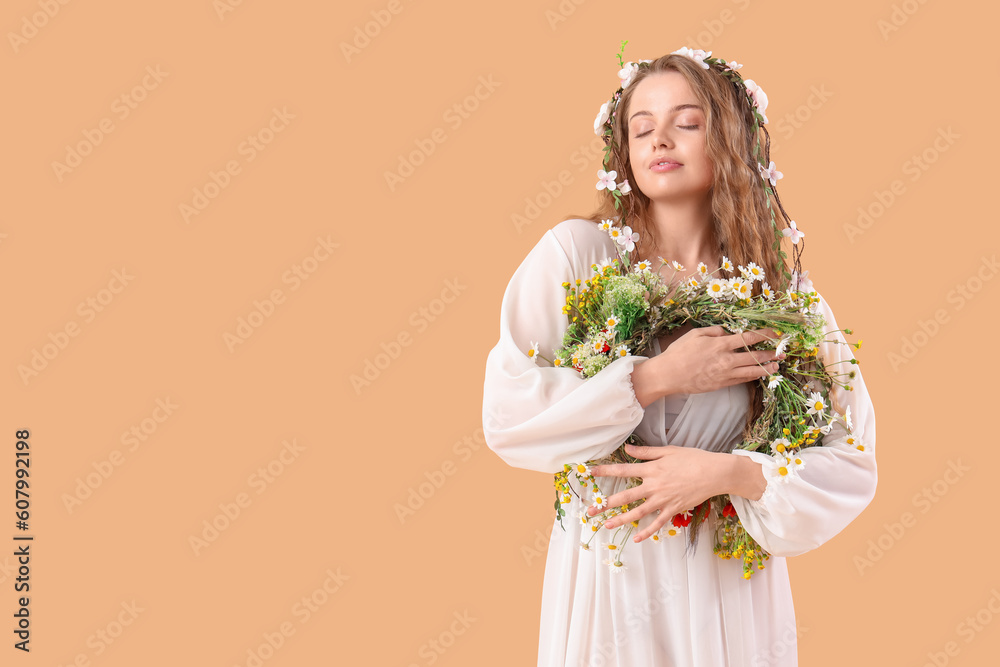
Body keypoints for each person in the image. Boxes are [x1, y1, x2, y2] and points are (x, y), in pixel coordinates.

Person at [481, 47, 877, 666]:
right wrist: (657, 377)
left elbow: (850, 460)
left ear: (732, 139)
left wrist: (726, 474)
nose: (660, 138)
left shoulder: (781, 299)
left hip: (729, 592)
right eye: (642, 127)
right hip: (611, 583)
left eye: (687, 122)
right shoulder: (579, 257)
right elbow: (508, 415)